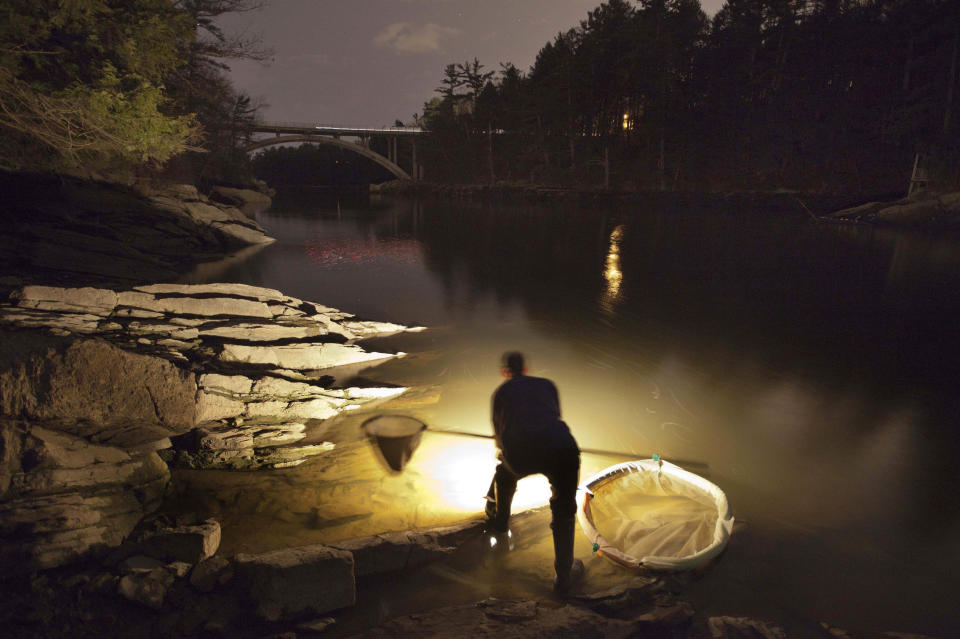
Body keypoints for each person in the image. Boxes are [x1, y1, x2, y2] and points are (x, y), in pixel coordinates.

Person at [484, 351, 584, 593]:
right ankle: (563, 578)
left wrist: (503, 450)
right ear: (526, 369)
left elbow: (499, 440)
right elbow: (554, 418)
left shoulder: (500, 393)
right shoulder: (548, 385)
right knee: (564, 509)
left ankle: (499, 521)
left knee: (505, 473)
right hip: (564, 448)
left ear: (504, 372)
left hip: (521, 452)